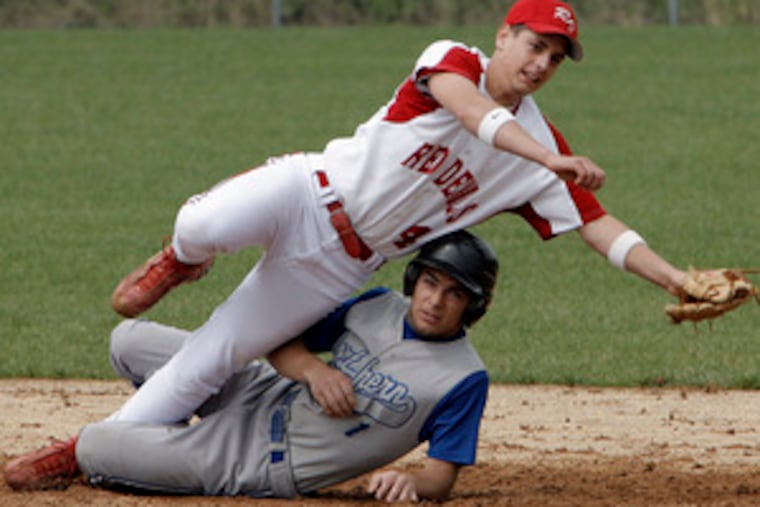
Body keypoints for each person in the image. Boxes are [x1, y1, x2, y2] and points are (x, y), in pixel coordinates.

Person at [105, 0, 685, 426]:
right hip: (308, 189)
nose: (542, 64)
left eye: (556, 58)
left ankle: (88, 449)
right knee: (200, 226)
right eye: (535, 45)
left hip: (339, 267)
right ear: (504, 36)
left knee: (208, 362)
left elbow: (598, 225)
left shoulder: (541, 151)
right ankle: (181, 261)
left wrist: (679, 279)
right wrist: (548, 158)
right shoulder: (452, 58)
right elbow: (471, 113)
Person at [6, 230, 498, 502]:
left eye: (455, 294)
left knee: (95, 444)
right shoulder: (378, 306)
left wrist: (413, 482)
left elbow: (441, 477)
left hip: (262, 459)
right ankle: (165, 439)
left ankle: (148, 450)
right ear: (416, 280)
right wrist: (312, 369)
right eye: (432, 283)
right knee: (129, 340)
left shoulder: (462, 379)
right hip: (261, 390)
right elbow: (277, 340)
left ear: (472, 308)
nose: (436, 300)